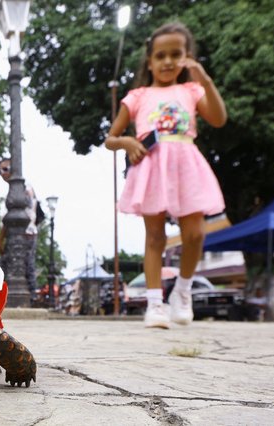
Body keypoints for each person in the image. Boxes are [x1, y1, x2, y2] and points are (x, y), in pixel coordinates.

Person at [104, 22, 227, 329]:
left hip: (186, 162)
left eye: (176, 54)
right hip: (152, 166)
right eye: (160, 55)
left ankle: (182, 292)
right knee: (155, 237)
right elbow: (110, 138)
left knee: (195, 233)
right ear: (150, 61)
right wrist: (127, 142)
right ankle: (155, 303)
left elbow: (219, 119)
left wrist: (206, 80)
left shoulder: (192, 90)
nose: (168, 61)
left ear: (187, 56)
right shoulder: (137, 96)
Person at [0, 158, 39, 293]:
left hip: (26, 233)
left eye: (5, 169)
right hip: (13, 235)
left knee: (27, 266)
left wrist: (1, 236)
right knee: (5, 266)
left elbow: (25, 214)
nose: (2, 173)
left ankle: (32, 297)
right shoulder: (13, 190)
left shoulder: (24, 188)